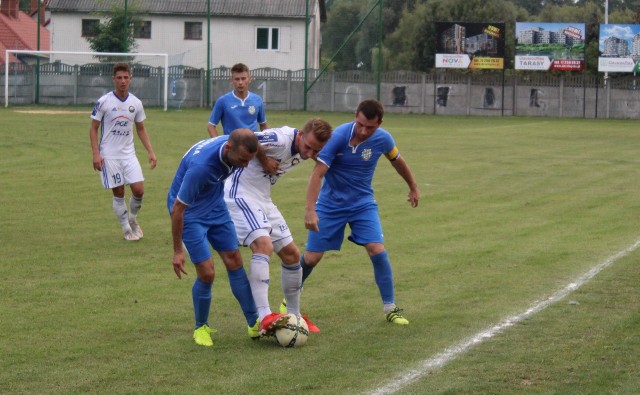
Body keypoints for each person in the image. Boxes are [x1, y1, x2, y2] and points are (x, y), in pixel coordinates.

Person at [282, 99, 420, 325]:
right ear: (355, 115)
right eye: (360, 124)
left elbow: (398, 161)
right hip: (330, 204)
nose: (364, 131)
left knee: (377, 249)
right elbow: (318, 173)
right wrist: (310, 210)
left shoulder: (383, 138)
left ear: (380, 123)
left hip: (362, 204)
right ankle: (289, 302)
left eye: (370, 127)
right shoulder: (338, 137)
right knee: (312, 257)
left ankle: (391, 307)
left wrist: (413, 186)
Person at [168, 129, 283, 347]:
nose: (245, 165)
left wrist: (265, 160)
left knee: (234, 259)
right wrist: (177, 251)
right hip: (190, 213)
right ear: (229, 149)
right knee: (208, 272)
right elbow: (178, 209)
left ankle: (254, 323)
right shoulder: (202, 168)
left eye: (248, 160)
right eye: (242, 160)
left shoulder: (238, 147)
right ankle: (200, 327)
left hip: (216, 206)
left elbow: (255, 145)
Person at [224, 118, 332, 335]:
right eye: (308, 147)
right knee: (264, 246)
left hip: (263, 198)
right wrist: (263, 160)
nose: (309, 153)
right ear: (300, 134)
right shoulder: (279, 139)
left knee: (292, 255)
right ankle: (264, 317)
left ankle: (294, 317)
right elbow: (248, 138)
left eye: (316, 150)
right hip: (240, 194)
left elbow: (322, 158)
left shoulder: (308, 149)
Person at [90, 62, 157, 241]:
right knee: (119, 193)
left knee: (139, 190)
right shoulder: (104, 102)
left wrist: (150, 151)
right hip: (109, 155)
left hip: (129, 154)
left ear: (130, 79)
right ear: (113, 79)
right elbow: (93, 128)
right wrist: (96, 154)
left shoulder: (136, 103)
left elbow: (141, 129)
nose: (122, 81)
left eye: (126, 77)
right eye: (119, 78)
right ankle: (126, 229)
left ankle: (133, 219)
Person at [207, 63, 268, 137]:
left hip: (252, 145)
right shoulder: (223, 101)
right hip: (232, 146)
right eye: (237, 79)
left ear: (249, 79)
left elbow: (263, 125)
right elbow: (211, 126)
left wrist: (268, 141)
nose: (240, 82)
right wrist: (219, 143)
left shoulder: (257, 100)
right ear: (231, 80)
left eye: (243, 78)